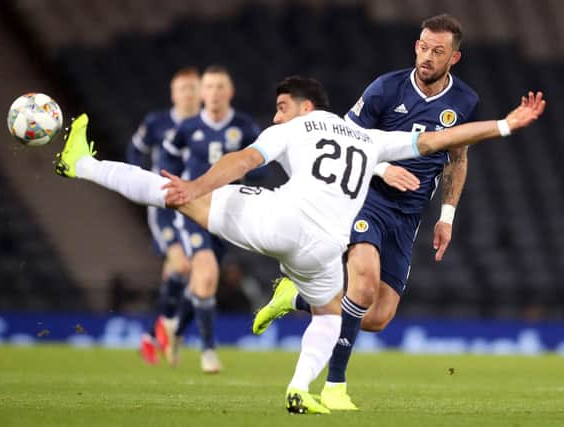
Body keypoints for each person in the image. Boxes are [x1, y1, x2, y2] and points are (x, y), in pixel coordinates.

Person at [53, 76, 544, 414]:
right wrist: (504, 125)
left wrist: (197, 189)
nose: (277, 113)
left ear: (307, 108)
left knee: (173, 193)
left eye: (283, 105)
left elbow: (244, 160)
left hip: (276, 220)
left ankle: (81, 165)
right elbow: (442, 141)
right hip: (320, 250)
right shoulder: (372, 140)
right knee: (335, 314)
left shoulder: (297, 127)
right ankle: (298, 386)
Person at [252, 13, 479, 409]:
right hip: (367, 199)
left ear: (453, 59)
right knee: (363, 284)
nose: (427, 56)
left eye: (437, 51)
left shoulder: (464, 101)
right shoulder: (385, 89)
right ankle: (335, 386)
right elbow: (344, 139)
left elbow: (457, 159)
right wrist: (384, 167)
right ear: (416, 45)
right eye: (423, 47)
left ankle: (296, 298)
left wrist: (446, 217)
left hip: (408, 217)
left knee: (377, 317)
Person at [158, 65, 262, 373]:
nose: (214, 93)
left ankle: (175, 329)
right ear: (202, 93)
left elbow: (262, 165)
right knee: (206, 273)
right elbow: (167, 158)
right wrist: (175, 187)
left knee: (205, 283)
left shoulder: (244, 127)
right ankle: (208, 352)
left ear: (230, 92)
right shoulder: (188, 127)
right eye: (210, 87)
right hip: (193, 208)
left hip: (226, 211)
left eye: (220, 87)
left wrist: (245, 171)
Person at [127, 67, 202, 366]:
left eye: (193, 88)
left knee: (192, 278)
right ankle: (165, 330)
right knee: (181, 265)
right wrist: (142, 182)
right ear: (173, 94)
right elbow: (135, 149)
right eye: (182, 88)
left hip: (196, 204)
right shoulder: (157, 123)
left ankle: (154, 335)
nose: (188, 94)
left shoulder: (206, 125)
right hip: (164, 206)